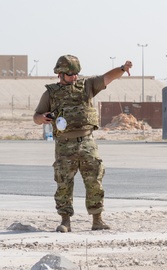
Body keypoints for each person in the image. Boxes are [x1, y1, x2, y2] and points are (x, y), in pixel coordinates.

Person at [33, 55, 133, 232]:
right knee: (64, 182)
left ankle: (97, 219)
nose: (75, 77)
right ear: (60, 74)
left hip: (87, 142)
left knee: (94, 180)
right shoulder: (50, 93)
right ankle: (65, 221)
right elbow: (36, 116)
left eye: (76, 74)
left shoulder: (86, 86)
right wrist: (42, 118)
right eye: (71, 74)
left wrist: (122, 69)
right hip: (64, 144)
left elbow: (106, 78)